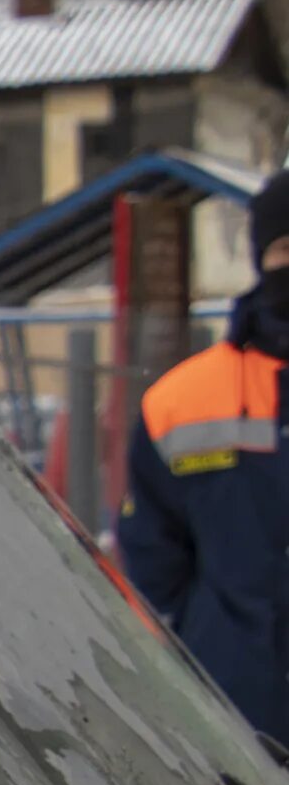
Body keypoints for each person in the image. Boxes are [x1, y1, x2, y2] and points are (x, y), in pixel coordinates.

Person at [119, 169, 289, 738]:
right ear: (261, 258)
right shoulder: (180, 402)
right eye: (286, 247)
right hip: (234, 726)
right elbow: (153, 557)